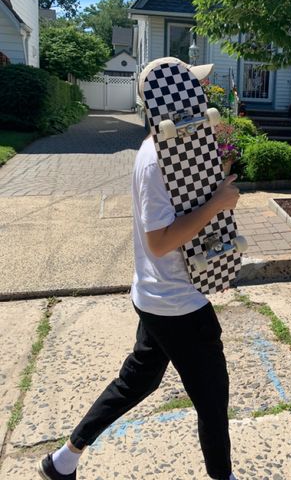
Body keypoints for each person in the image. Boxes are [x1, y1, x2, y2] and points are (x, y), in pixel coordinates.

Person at [38, 58, 240, 480]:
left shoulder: (173, 149)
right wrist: (217, 204)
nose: (203, 97)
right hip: (177, 304)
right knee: (212, 399)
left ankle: (63, 460)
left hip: (158, 296)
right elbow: (160, 240)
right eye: (196, 90)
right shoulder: (154, 162)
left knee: (137, 382)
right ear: (174, 97)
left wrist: (215, 176)